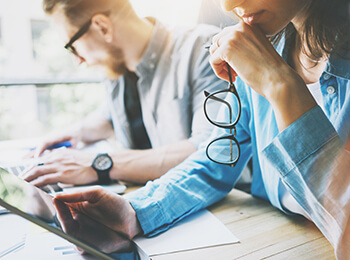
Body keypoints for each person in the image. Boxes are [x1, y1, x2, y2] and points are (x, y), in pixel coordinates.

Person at [53, 0, 349, 258]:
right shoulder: (261, 53)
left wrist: (280, 86)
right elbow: (215, 160)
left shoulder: (260, 63)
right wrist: (133, 212)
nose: (227, 4)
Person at [22, 0, 227, 186]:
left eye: (72, 46)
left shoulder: (204, 49)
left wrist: (100, 164)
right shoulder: (116, 67)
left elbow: (212, 149)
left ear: (103, 27)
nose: (78, 60)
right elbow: (110, 117)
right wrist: (74, 134)